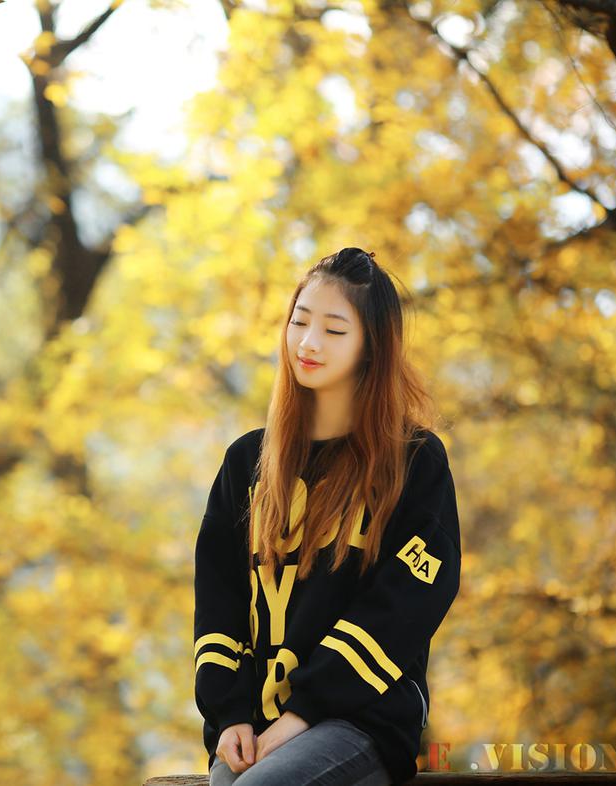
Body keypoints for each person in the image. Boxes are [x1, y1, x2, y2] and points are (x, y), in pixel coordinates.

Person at [193, 248, 462, 786]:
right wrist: (230, 715)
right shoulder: (246, 462)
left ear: (371, 346)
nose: (309, 343)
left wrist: (302, 713)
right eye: (299, 322)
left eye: (334, 330)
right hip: (255, 729)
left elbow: (404, 606)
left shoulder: (413, 461)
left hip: (362, 723)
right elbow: (219, 602)